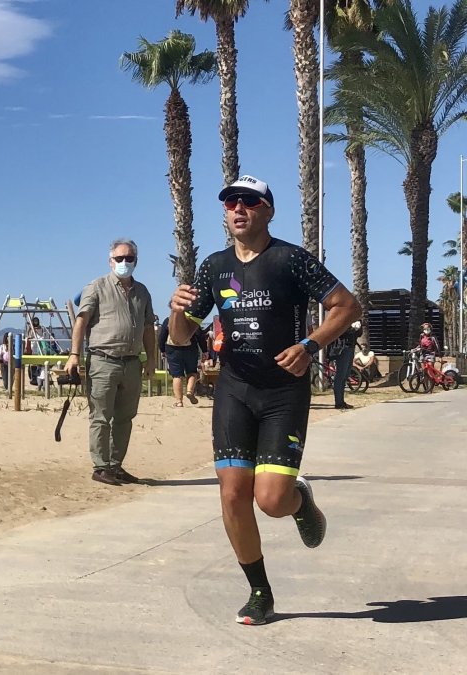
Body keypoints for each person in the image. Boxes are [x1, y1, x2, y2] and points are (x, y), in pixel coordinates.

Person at [168, 174, 361, 626]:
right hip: (234, 389)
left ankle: (299, 501)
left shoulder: (290, 259)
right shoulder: (214, 267)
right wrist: (177, 310)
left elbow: (347, 306)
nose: (239, 208)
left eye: (250, 202)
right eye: (231, 202)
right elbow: (181, 337)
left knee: (271, 500)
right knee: (233, 493)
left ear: (268, 211)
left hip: (283, 392)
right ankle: (260, 592)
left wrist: (310, 346)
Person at [65, 238, 156, 486]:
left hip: (132, 363)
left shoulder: (143, 292)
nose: (124, 262)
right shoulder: (96, 287)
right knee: (101, 417)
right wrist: (74, 355)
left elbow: (149, 327)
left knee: (125, 417)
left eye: (129, 258)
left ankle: (116, 466)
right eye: (119, 258)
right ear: (110, 261)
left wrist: (151, 359)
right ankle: (101, 466)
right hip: (103, 361)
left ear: (136, 261)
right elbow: (81, 321)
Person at [157, 317, 203, 407]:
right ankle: (189, 391)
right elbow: (199, 335)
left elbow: (162, 336)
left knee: (177, 375)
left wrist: (162, 349)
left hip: (173, 349)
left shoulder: (169, 320)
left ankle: (179, 402)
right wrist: (204, 350)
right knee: (192, 372)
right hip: (190, 349)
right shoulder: (192, 319)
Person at [330, 320, 362, 410]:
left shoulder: (355, 318)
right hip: (343, 348)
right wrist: (350, 327)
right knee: (340, 375)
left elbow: (359, 334)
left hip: (351, 347)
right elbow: (338, 331)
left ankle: (341, 401)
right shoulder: (342, 317)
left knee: (346, 375)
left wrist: (358, 327)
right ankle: (338, 402)